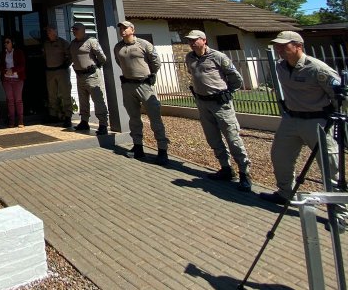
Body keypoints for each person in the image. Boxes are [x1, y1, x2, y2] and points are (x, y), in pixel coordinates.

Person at [259, 31, 346, 226]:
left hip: (318, 121)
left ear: (298, 46)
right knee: (279, 156)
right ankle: (285, 193)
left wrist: (331, 118)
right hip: (291, 119)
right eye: (277, 46)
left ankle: (340, 212)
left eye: (284, 45)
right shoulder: (280, 66)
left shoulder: (317, 68)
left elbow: (340, 96)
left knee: (329, 167)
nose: (279, 49)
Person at [184, 30, 252, 191]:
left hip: (220, 103)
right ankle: (226, 169)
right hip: (203, 102)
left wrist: (228, 92)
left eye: (195, 40)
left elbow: (236, 78)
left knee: (232, 138)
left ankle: (244, 173)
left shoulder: (218, 57)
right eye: (190, 41)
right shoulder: (189, 58)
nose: (192, 43)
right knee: (213, 138)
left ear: (204, 40)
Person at [113, 20, 169, 165]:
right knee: (134, 118)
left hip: (144, 85)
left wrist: (150, 74)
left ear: (133, 29)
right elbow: (119, 62)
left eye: (125, 28)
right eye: (121, 28)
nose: (122, 30)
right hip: (128, 85)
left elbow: (155, 62)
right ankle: (138, 147)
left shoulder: (144, 44)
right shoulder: (118, 47)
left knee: (154, 117)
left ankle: (162, 150)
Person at [69, 22, 109, 135]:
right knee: (83, 100)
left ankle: (103, 124)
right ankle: (84, 121)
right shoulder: (73, 44)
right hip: (79, 76)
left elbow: (102, 58)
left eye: (76, 29)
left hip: (92, 76)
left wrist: (96, 66)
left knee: (98, 100)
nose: (74, 31)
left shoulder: (91, 41)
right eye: (73, 29)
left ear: (83, 30)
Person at [43, 25, 73, 128]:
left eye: (50, 30)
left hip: (61, 71)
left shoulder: (63, 42)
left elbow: (71, 55)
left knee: (65, 93)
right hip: (50, 71)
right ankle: (53, 115)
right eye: (47, 31)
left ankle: (68, 116)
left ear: (55, 31)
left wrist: (66, 64)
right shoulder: (46, 44)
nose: (48, 32)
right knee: (52, 94)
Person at [0, 37, 26, 127]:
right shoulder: (3, 53)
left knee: (18, 100)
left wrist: (13, 70)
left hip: (17, 79)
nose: (6, 44)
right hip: (6, 79)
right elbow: (0, 66)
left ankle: (20, 120)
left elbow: (22, 65)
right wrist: (6, 71)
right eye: (5, 42)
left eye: (8, 42)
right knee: (10, 100)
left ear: (12, 43)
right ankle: (11, 120)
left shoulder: (18, 52)